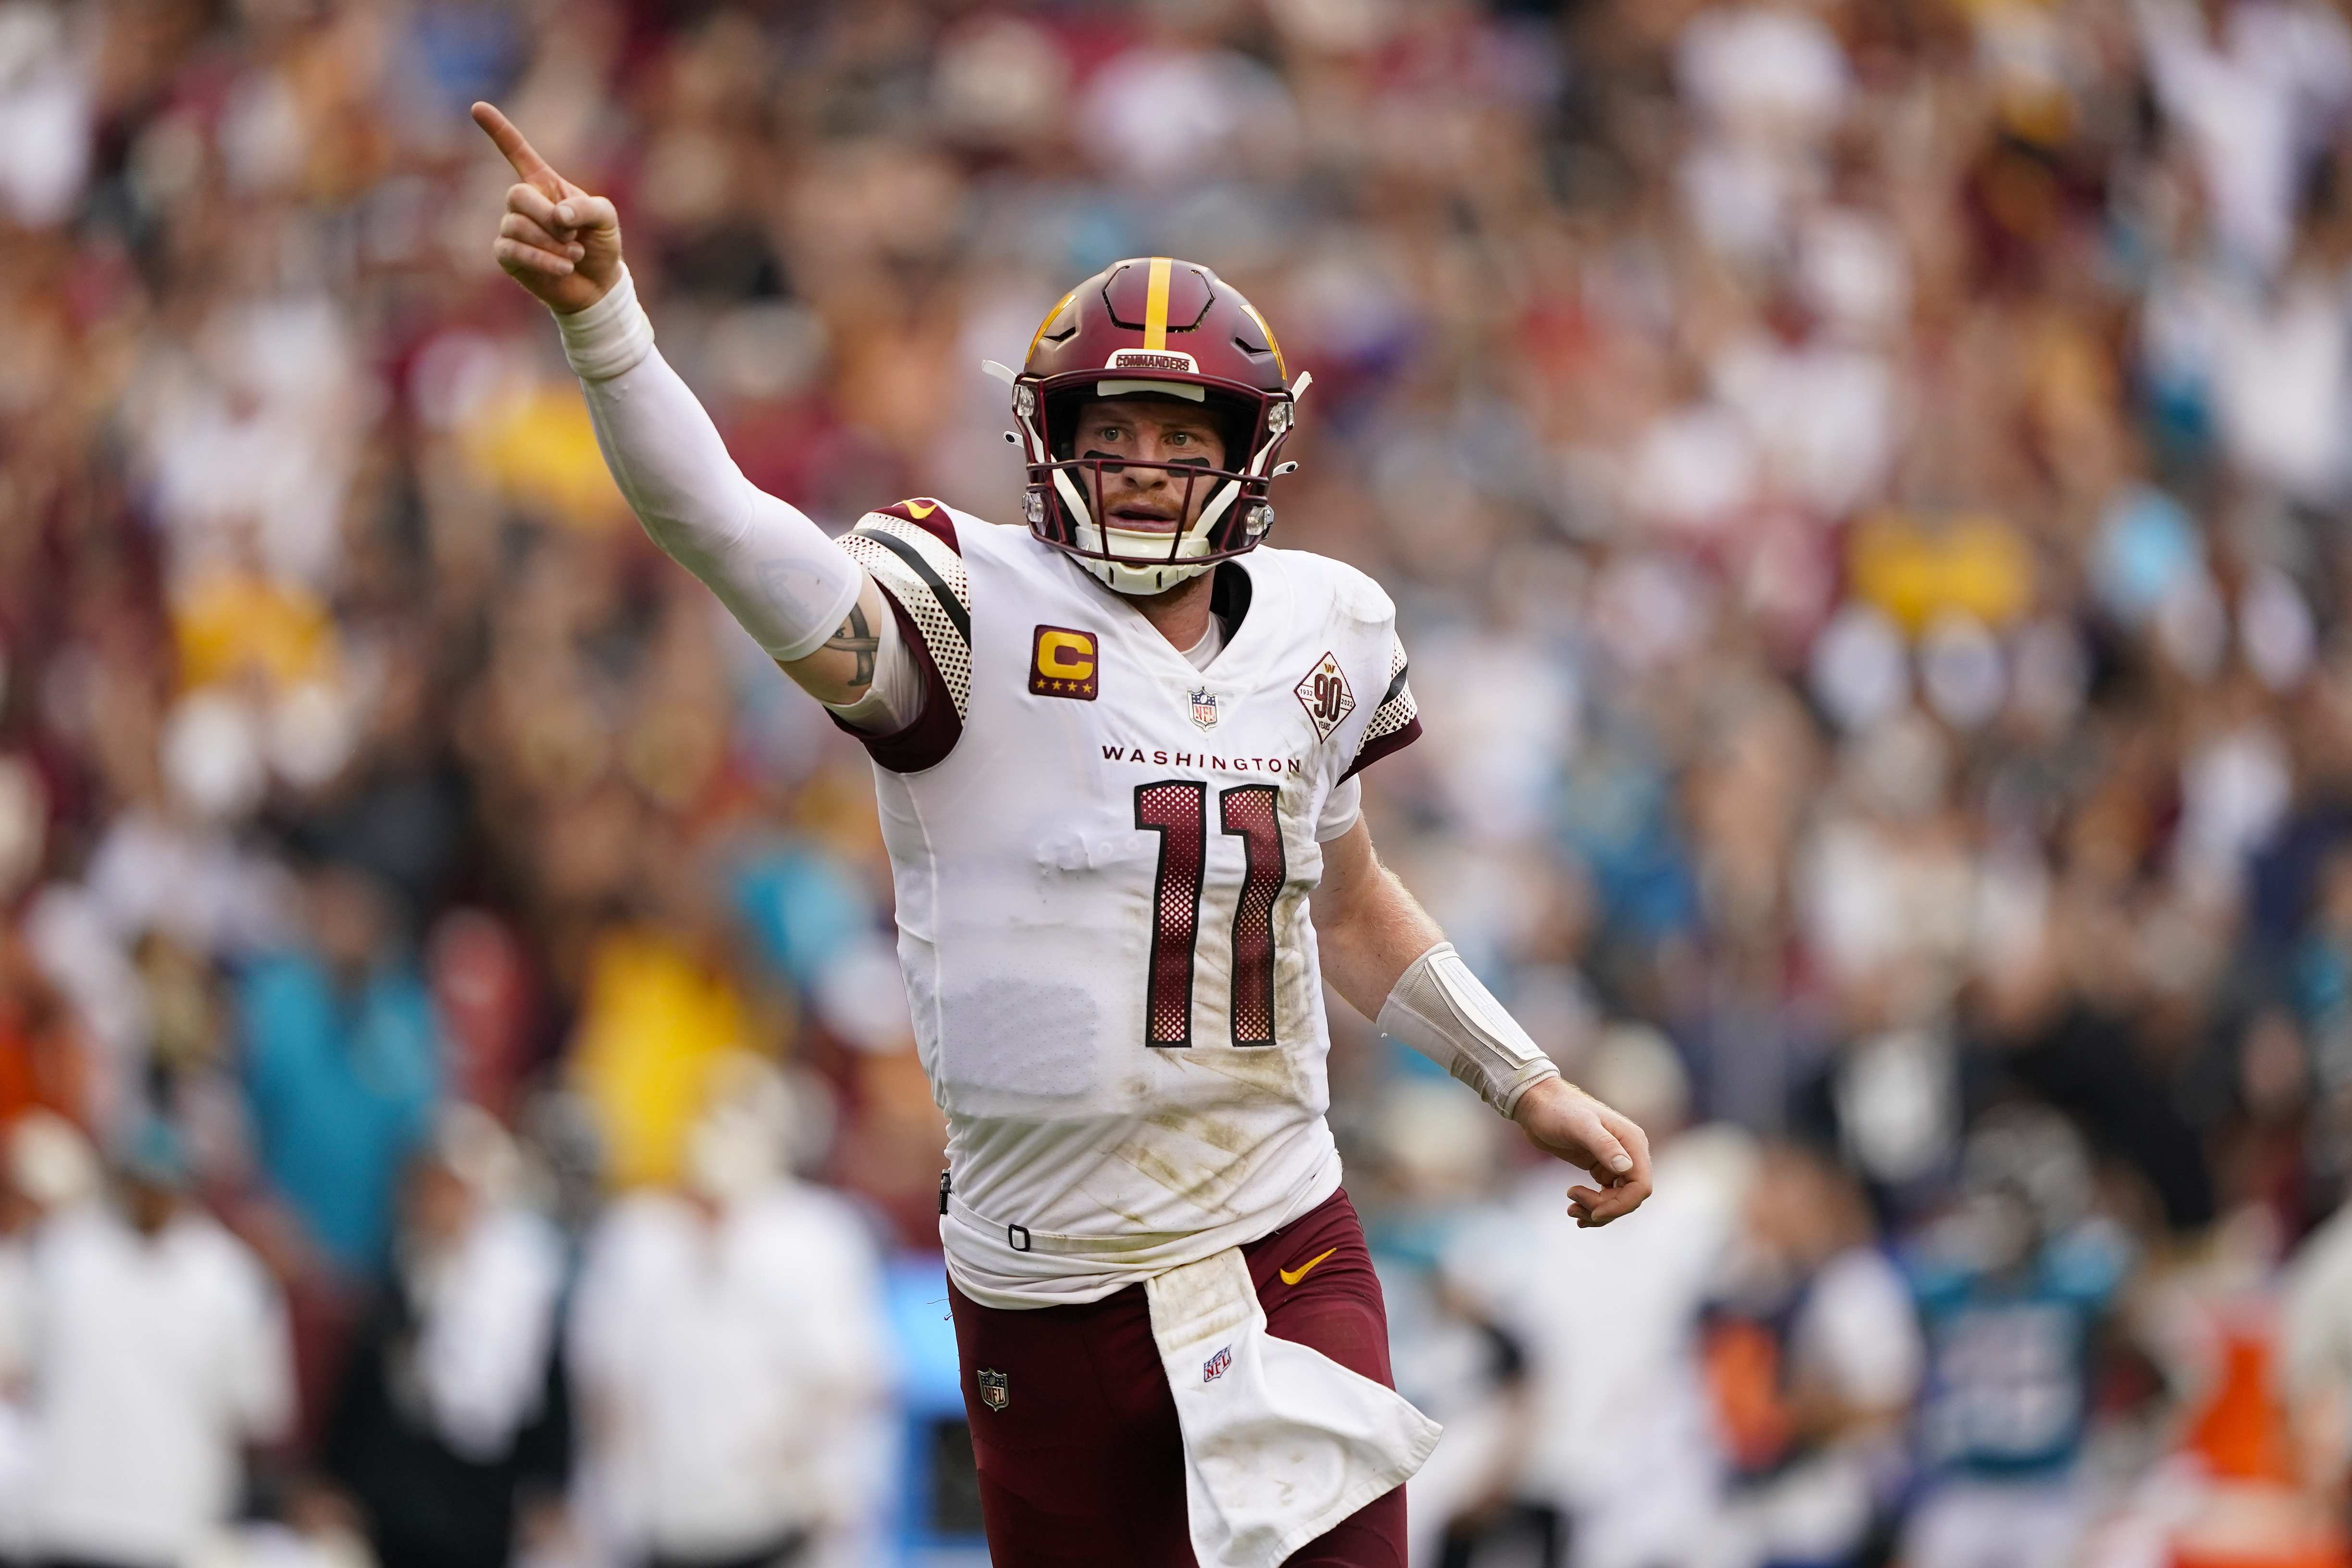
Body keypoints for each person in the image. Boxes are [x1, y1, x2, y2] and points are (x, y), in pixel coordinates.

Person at [469, 100, 1654, 1568]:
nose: (1147, 460)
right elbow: (724, 526)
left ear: (1248, 449)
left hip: (1277, 1233)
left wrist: (1521, 1077)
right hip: (1041, 1278)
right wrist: (608, 327)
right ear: (1052, 439)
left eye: (1180, 429)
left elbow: (1344, 902)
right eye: (1114, 426)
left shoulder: (1325, 628)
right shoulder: (965, 605)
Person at [568, 1053, 891, 1568]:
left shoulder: (818, 1236)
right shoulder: (636, 1238)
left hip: (780, 1529)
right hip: (665, 1531)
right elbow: (604, 1386)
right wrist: (609, 1504)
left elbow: (853, 1379)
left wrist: (813, 1480)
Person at [20, 1121, 294, 1568]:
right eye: (142, 1183)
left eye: (164, 1186)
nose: (151, 1198)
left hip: (169, 1526)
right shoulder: (58, 1255)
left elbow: (257, 1411)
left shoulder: (232, 1282)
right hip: (63, 1510)